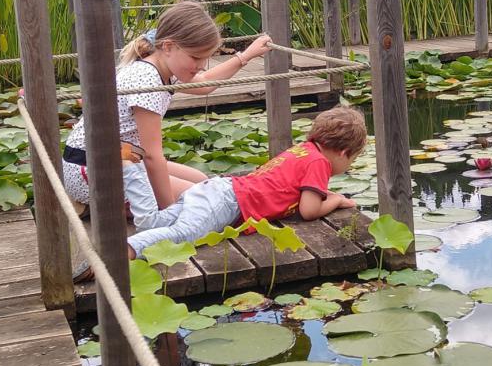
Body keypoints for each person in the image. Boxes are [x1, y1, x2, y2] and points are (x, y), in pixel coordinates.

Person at [63, 0, 272, 236]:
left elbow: (204, 85)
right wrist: (169, 211)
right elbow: (152, 155)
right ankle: (104, 204)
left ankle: (107, 205)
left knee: (201, 181)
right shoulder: (147, 79)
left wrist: (247, 56)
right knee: (197, 202)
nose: (201, 66)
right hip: (91, 169)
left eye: (205, 58)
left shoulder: (162, 67)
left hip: (119, 159)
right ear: (169, 46)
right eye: (196, 58)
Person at [124, 105, 367, 260]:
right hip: (228, 202)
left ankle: (132, 169)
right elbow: (309, 210)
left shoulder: (303, 149)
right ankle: (123, 252)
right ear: (344, 152)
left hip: (218, 190)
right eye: (352, 160)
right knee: (184, 234)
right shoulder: (319, 162)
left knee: (152, 224)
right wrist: (333, 199)